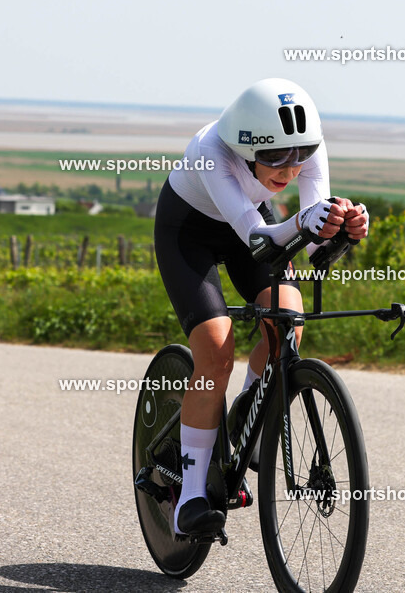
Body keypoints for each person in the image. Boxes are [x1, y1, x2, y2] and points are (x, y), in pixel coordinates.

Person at [154, 78, 369, 535]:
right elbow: (256, 237)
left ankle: (251, 404)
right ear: (244, 146)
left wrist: (341, 230)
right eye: (273, 158)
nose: (289, 170)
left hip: (253, 226)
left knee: (289, 321)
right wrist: (304, 222)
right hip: (190, 232)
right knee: (215, 350)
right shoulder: (211, 149)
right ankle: (189, 496)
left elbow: (312, 245)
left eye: (299, 156)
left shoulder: (303, 146)